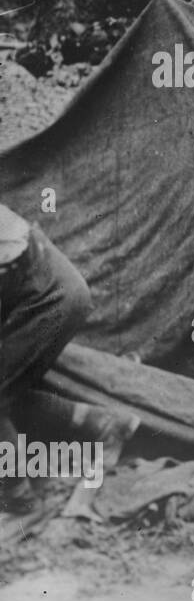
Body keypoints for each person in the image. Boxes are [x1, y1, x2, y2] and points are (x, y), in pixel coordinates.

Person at [0, 203, 93, 513]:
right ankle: (99, 422)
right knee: (9, 389)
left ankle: (20, 500)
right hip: (44, 288)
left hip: (52, 296)